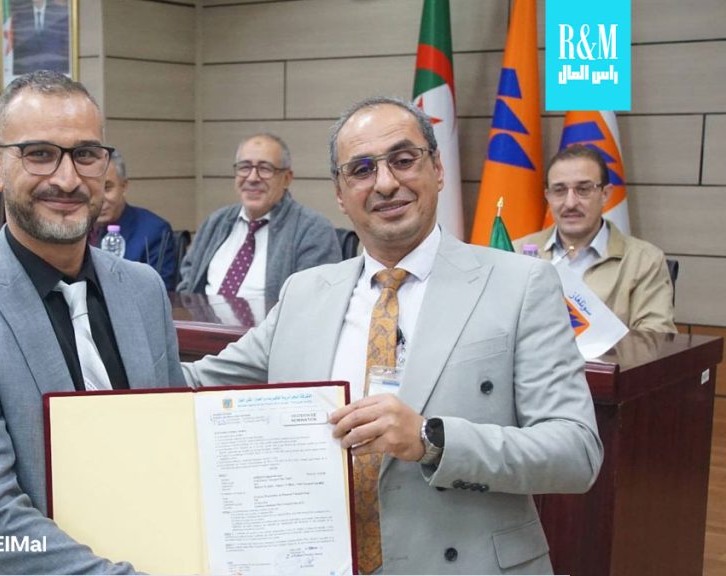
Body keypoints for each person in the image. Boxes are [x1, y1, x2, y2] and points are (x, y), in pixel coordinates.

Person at [182, 96, 603, 574]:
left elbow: (576, 453)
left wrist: (431, 439)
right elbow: (192, 385)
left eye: (403, 160)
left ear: (437, 169)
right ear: (340, 193)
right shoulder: (304, 293)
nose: (385, 183)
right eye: (361, 170)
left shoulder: (521, 285)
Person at [0, 70, 184, 574]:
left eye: (86, 154)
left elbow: (175, 441)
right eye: (39, 154)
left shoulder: (144, 290)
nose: (67, 179)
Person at [515, 145, 676, 332]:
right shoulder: (516, 252)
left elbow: (655, 337)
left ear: (605, 194)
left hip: (611, 352)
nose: (570, 203)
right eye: (559, 190)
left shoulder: (644, 261)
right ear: (548, 196)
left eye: (583, 189)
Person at [177, 133, 342, 301]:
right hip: (203, 317)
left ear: (286, 178)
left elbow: (314, 302)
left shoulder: (312, 230)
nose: (252, 178)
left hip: (273, 319)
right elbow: (187, 286)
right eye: (244, 167)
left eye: (265, 169)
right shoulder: (215, 222)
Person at [90, 150, 176, 289]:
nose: (100, 199)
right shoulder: (75, 229)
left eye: (107, 188)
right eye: (92, 189)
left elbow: (158, 292)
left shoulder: (154, 231)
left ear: (123, 187)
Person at [12, 0, 70, 76]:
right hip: (28, 74)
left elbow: (66, 46)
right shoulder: (21, 15)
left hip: (56, 72)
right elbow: (18, 48)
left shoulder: (59, 12)